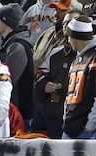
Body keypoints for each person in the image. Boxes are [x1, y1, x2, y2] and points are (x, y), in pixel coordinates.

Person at [62, 15, 96, 139]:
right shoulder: (79, 57)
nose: (68, 41)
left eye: (69, 37)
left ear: (75, 37)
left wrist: (89, 126)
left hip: (89, 132)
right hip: (73, 128)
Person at [33, 8, 83, 138]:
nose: (67, 26)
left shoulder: (90, 54)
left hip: (77, 118)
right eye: (65, 23)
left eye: (71, 22)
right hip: (52, 115)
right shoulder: (56, 52)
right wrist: (44, 84)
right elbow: (40, 74)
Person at [0, 3, 34, 129]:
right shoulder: (6, 43)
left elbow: (8, 80)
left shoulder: (17, 46)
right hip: (11, 109)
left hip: (18, 112)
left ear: (6, 22)